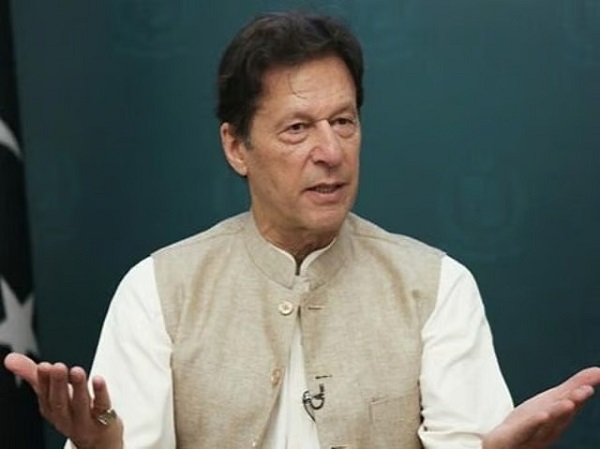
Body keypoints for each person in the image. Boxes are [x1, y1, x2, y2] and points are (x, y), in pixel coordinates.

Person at [4, 10, 600, 449]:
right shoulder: (157, 290)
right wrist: (104, 448)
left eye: (344, 121)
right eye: (297, 129)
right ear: (236, 146)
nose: (331, 152)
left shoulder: (438, 286)